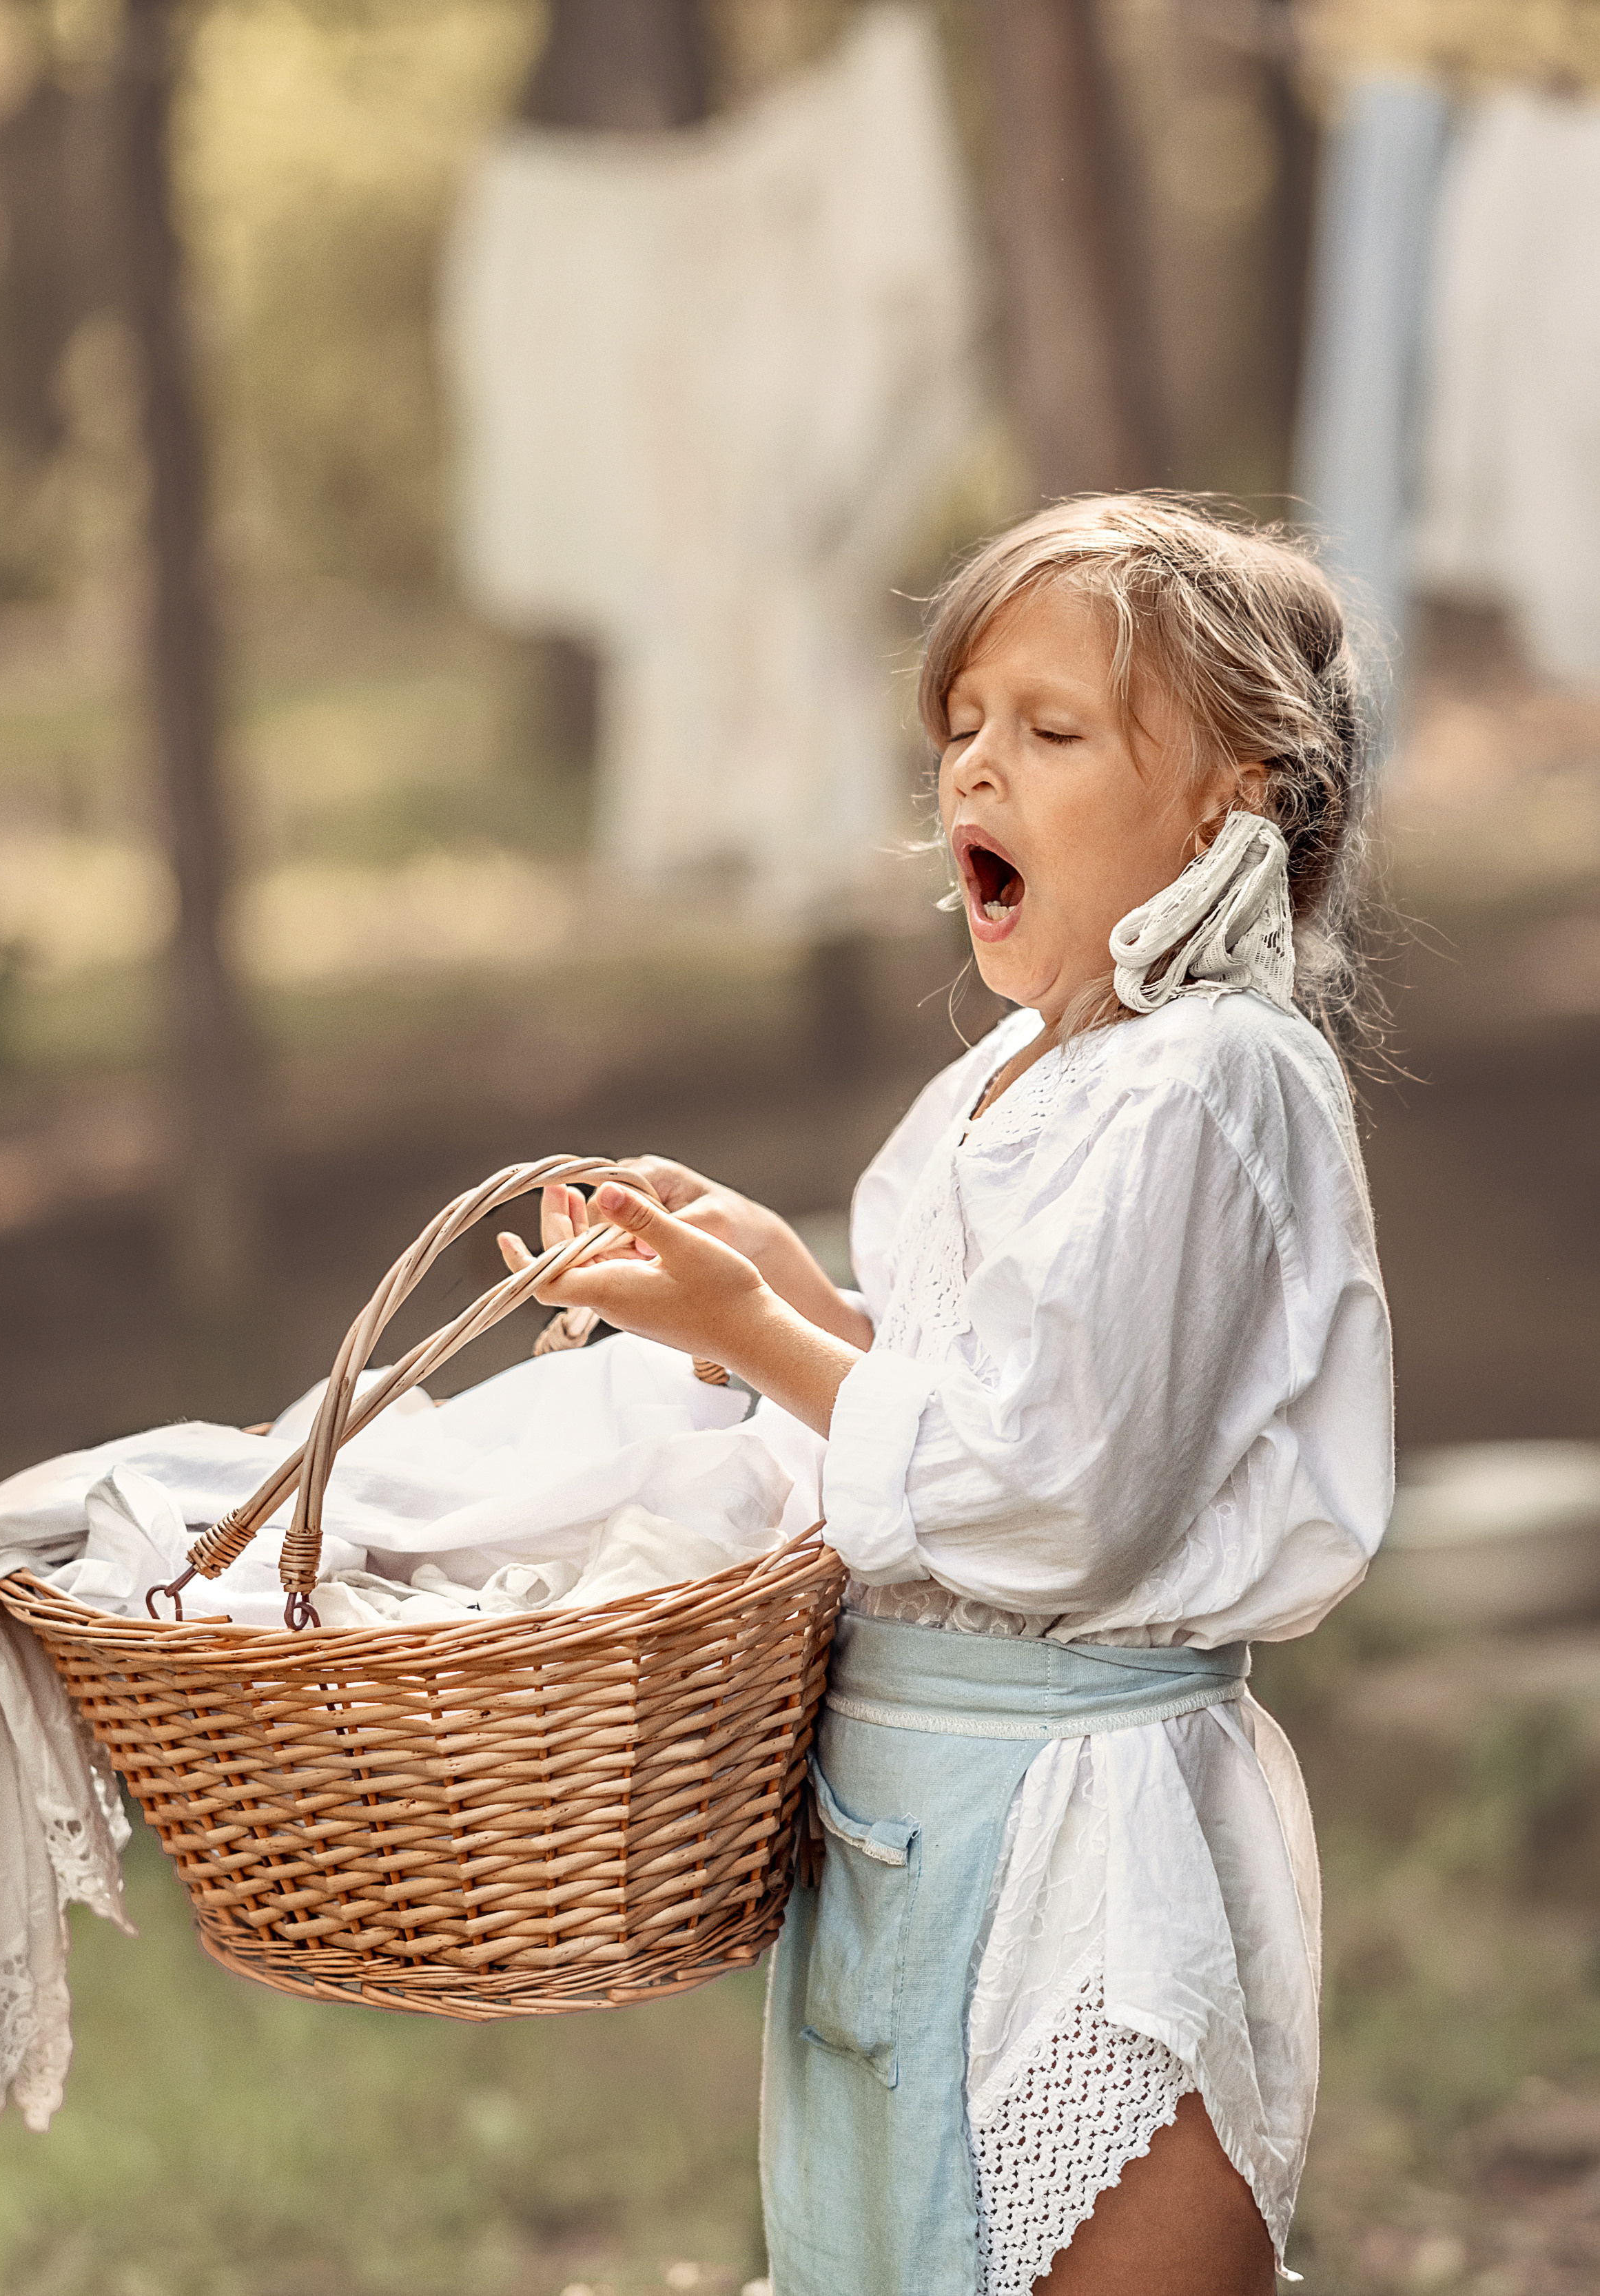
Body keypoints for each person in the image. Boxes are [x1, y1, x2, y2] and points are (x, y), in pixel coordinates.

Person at [498, 494, 1393, 2296]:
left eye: (1048, 732)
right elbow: (965, 1391)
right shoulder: (1021, 1076)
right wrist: (789, 1289)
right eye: (960, 728)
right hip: (899, 1790)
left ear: (1232, 793)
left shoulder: (1212, 1082)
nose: (976, 770)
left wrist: (761, 1326)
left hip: (1081, 1808)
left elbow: (1059, 1495)